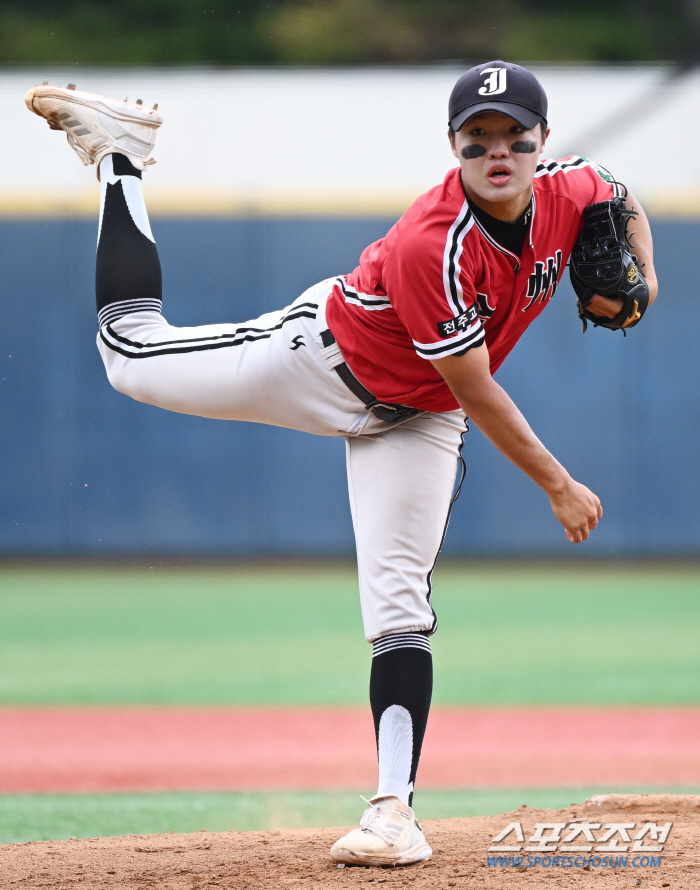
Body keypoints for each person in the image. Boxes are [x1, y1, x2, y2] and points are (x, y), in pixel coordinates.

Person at [26, 60, 657, 868]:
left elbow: (622, 195)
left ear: (541, 143)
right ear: (455, 147)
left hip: (419, 416)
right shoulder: (439, 241)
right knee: (128, 355)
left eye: (514, 137)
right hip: (323, 364)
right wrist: (558, 485)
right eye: (479, 139)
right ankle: (121, 157)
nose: (498, 151)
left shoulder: (576, 187)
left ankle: (393, 812)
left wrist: (649, 281)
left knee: (399, 608)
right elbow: (479, 389)